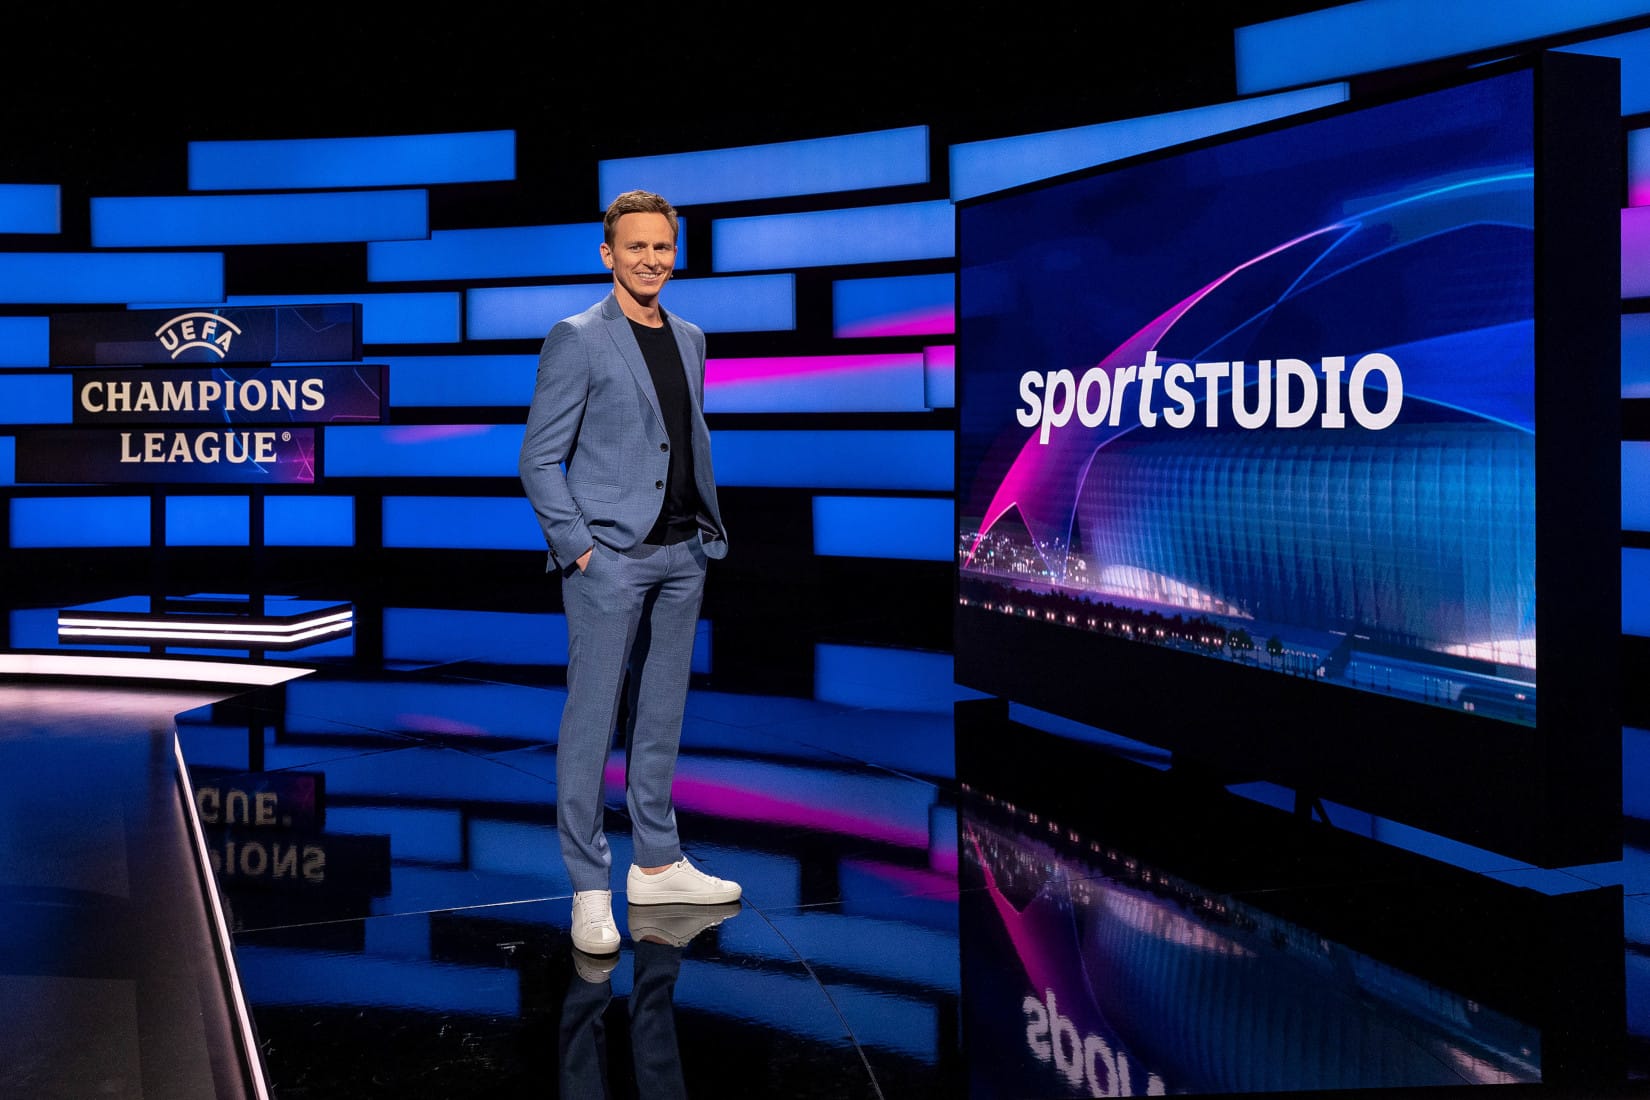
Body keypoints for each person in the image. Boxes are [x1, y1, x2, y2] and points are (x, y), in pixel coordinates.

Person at [519, 189, 741, 956]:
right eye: (636, 246)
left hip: (684, 553)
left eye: (662, 247)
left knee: (661, 715)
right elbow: (538, 459)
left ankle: (656, 863)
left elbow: (678, 441)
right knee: (592, 720)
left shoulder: (691, 338)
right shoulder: (577, 338)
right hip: (609, 559)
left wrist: (700, 532)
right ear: (607, 254)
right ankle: (589, 886)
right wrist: (580, 549)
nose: (651, 259)